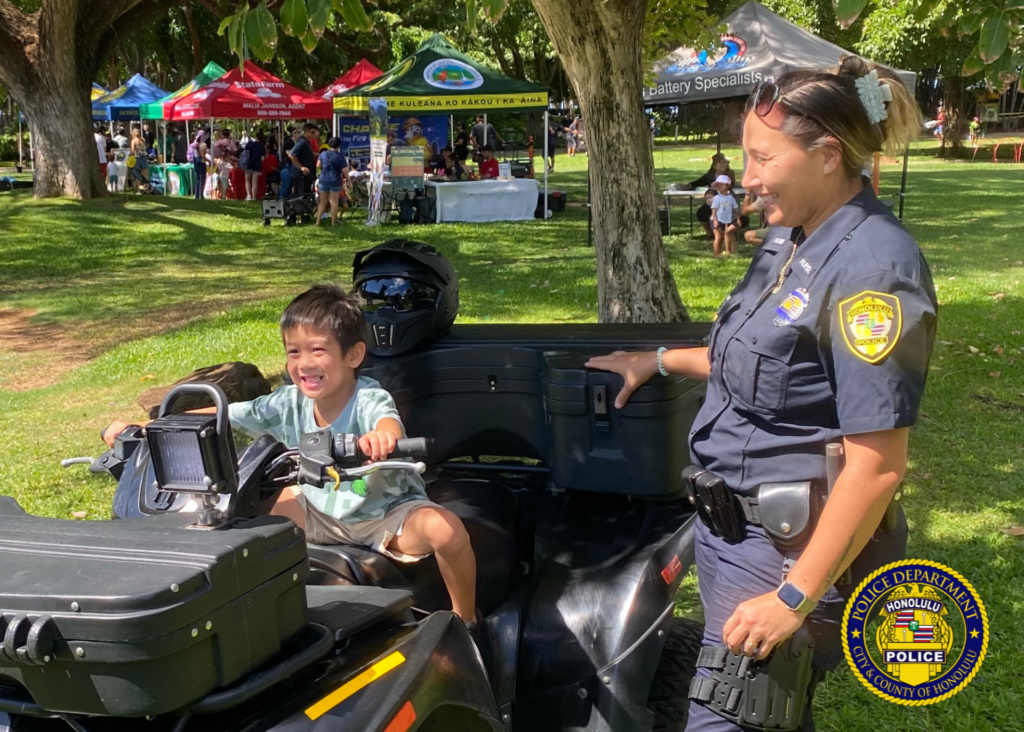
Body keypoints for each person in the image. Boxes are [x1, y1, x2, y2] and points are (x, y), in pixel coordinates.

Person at [585, 56, 931, 732]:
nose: (744, 178)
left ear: (828, 155)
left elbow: (878, 464)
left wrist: (793, 598)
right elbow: (751, 356)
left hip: (791, 556)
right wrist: (653, 359)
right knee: (772, 717)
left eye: (761, 158)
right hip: (728, 533)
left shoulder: (874, 272)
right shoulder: (790, 235)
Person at [102, 285, 480, 627]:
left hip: (384, 512)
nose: (304, 363)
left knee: (445, 530)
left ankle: (465, 620)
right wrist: (147, 426)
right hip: (319, 509)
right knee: (227, 514)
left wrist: (383, 438)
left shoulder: (368, 398)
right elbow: (226, 414)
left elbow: (387, 422)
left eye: (318, 350)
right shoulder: (287, 402)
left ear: (354, 354)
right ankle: (235, 613)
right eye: (293, 352)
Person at [315, 137, 350, 227]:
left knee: (322, 202)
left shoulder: (323, 154)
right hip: (335, 180)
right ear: (338, 146)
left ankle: (317, 222)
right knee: (334, 202)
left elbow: (318, 165)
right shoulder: (340, 156)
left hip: (323, 180)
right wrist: (349, 181)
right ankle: (333, 223)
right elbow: (345, 171)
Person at [710, 174, 738, 257]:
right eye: (717, 184)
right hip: (716, 219)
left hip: (726, 220)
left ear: (727, 186)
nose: (719, 186)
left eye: (721, 184)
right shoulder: (717, 198)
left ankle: (727, 251)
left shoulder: (731, 198)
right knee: (718, 237)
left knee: (725, 235)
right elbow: (714, 210)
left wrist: (738, 217)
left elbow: (736, 208)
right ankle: (716, 254)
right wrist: (715, 221)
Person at [288, 123, 319, 195]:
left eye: (314, 132)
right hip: (301, 175)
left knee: (306, 195)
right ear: (306, 131)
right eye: (312, 132)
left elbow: (308, 153)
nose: (313, 134)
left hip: (306, 175)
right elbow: (291, 155)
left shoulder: (306, 141)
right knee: (301, 196)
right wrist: (301, 167)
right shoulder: (302, 141)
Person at [211, 128, 237, 199]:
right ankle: (223, 195)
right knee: (224, 184)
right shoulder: (231, 142)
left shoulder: (218, 142)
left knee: (221, 182)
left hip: (221, 161)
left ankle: (221, 195)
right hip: (226, 160)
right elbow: (235, 151)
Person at [242, 131, 266, 202]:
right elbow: (262, 159)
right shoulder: (262, 146)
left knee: (247, 180)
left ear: (256, 137)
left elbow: (244, 153)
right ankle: (254, 197)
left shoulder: (249, 144)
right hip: (257, 165)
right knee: (254, 182)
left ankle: (248, 195)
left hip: (248, 164)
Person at [279, 126, 302, 199]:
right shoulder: (288, 142)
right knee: (286, 185)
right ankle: (281, 201)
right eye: (298, 132)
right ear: (294, 133)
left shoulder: (296, 142)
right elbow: (289, 154)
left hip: (292, 167)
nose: (300, 134)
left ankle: (286, 202)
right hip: (287, 166)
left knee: (290, 186)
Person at [129, 126, 150, 191]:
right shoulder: (143, 140)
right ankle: (147, 190)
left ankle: (138, 190)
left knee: (138, 176)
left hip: (137, 158)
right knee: (146, 175)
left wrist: (130, 157)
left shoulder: (133, 141)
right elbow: (146, 147)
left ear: (133, 133)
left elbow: (132, 151)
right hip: (144, 158)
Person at [190, 129, 209, 200]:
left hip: (196, 163)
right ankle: (201, 195)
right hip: (201, 163)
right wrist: (210, 161)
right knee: (202, 180)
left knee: (197, 180)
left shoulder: (195, 143)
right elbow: (203, 156)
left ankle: (196, 195)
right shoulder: (203, 144)